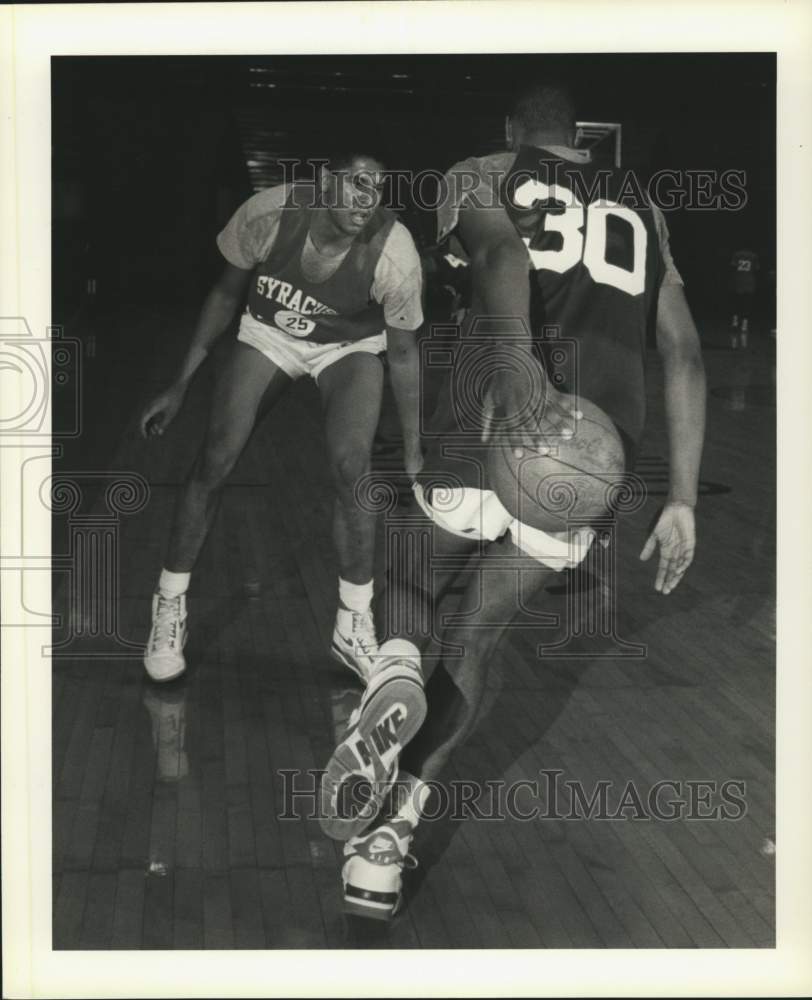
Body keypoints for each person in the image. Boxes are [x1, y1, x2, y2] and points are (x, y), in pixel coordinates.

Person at [319, 83, 707, 920]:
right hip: (588, 460)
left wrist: (517, 358)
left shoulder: (483, 170)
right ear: (582, 137)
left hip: (497, 412)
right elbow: (682, 351)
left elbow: (499, 260)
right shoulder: (644, 209)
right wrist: (681, 497)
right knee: (480, 633)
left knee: (415, 573)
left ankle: (389, 670)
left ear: (513, 129)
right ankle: (391, 841)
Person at [139, 149, 424, 683]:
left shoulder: (395, 254)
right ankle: (169, 604)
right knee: (216, 456)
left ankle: (353, 624)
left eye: (378, 189)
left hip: (348, 347)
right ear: (324, 181)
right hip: (269, 333)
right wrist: (180, 384)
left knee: (352, 470)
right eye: (357, 185)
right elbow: (225, 295)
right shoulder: (268, 213)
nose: (368, 200)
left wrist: (413, 448)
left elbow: (404, 354)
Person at [729, 245, 760, 349]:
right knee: (747, 304)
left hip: (738, 282)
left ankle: (735, 322)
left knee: (736, 303)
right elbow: (756, 269)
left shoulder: (737, 254)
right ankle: (744, 325)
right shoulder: (754, 256)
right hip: (749, 283)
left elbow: (732, 267)